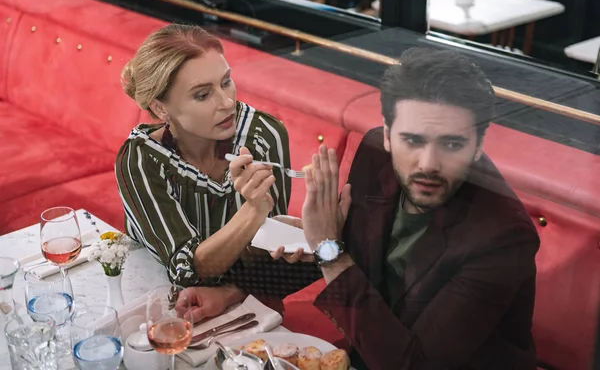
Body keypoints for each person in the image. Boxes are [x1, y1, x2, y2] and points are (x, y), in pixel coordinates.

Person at [300, 48, 540, 369]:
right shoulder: (375, 156)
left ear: (479, 146)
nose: (428, 164)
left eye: (452, 144)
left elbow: (416, 365)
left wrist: (327, 249)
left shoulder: (502, 237)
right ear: (387, 136)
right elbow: (352, 257)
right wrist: (313, 236)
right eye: (412, 141)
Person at [115, 24, 319, 308]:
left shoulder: (264, 136)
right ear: (161, 108)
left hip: (250, 302)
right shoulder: (141, 159)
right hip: (157, 303)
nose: (227, 102)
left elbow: (266, 255)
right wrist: (253, 211)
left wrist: (274, 236)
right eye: (202, 94)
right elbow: (186, 272)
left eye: (226, 82)